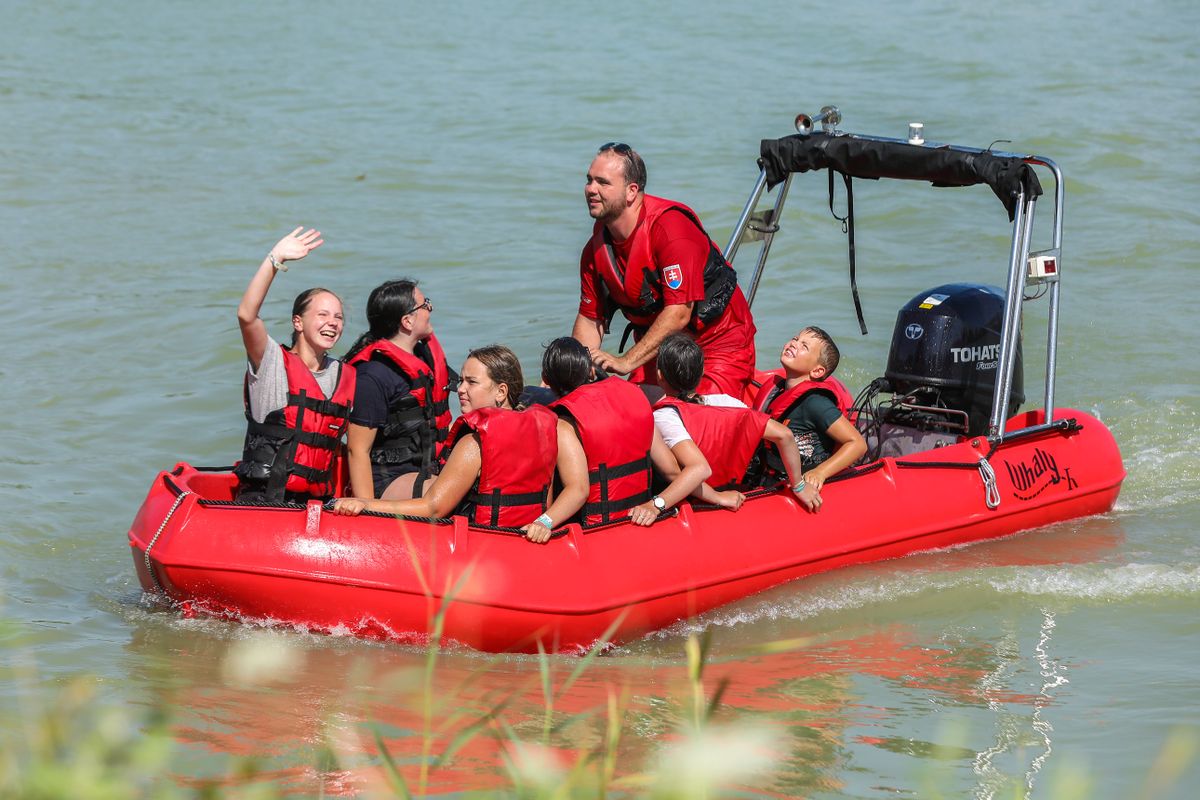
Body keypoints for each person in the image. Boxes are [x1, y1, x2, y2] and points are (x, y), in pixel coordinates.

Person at [332, 346, 588, 544]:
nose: (460, 389)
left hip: (480, 544)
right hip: (524, 539)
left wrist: (366, 504)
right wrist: (544, 522)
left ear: (501, 391)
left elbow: (434, 508)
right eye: (462, 380)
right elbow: (578, 488)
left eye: (471, 382)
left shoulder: (475, 444)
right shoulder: (551, 428)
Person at [571, 142, 758, 399]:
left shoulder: (670, 229)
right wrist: (574, 374)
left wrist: (625, 362)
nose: (591, 189)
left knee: (696, 414)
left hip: (716, 345)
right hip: (659, 350)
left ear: (631, 191)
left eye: (602, 182)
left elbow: (679, 313)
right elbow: (589, 320)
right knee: (616, 402)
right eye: (589, 180)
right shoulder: (595, 251)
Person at [233, 227, 356, 503]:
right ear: (297, 322)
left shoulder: (344, 375)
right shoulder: (271, 362)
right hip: (265, 500)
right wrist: (275, 258)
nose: (333, 322)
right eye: (323, 314)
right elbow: (246, 315)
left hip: (316, 505)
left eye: (338, 317)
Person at [540, 337, 711, 527]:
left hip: (598, 527)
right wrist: (715, 497)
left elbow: (578, 491)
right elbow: (671, 470)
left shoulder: (564, 423)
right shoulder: (636, 396)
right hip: (641, 515)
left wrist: (542, 522)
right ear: (591, 371)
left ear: (546, 380)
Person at [653, 334, 821, 512]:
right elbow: (784, 435)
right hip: (739, 489)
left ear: (659, 375)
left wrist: (655, 505)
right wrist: (798, 485)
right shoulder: (727, 402)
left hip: (696, 500)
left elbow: (687, 471)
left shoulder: (664, 416)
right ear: (702, 372)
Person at [342, 280, 455, 501]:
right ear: (407, 321)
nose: (430, 309)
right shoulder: (373, 375)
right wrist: (367, 507)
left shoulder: (425, 360)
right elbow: (357, 450)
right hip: (388, 479)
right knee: (457, 490)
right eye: (425, 305)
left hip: (429, 468)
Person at [748, 327, 867, 500]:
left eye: (804, 346)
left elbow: (857, 444)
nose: (794, 344)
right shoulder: (777, 392)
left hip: (800, 486)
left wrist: (820, 472)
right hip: (770, 479)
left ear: (817, 371)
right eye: (795, 339)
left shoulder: (815, 403)